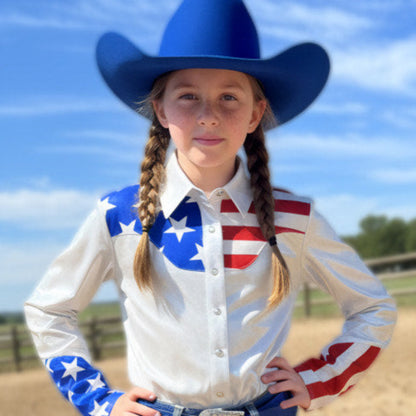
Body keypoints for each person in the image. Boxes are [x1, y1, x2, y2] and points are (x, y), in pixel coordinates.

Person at [24, 1, 397, 416]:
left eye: (229, 97)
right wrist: (99, 401)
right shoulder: (119, 216)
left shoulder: (294, 217)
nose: (208, 116)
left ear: (256, 113)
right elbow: (49, 310)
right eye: (187, 96)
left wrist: (318, 378)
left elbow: (373, 308)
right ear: (161, 109)